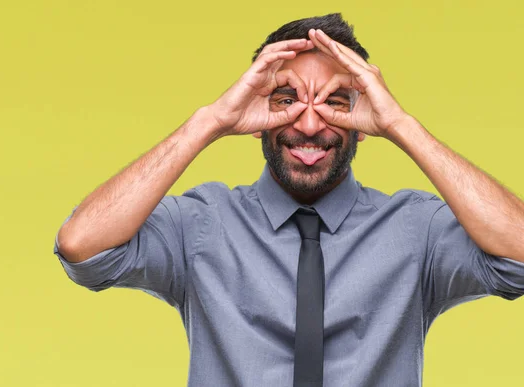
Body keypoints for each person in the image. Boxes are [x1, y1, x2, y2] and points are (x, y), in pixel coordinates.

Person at [53, 13, 524, 387]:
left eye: (336, 102)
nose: (310, 125)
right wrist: (212, 120)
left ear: (365, 117)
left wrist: (402, 125)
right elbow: (83, 246)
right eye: (285, 99)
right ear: (256, 112)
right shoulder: (200, 224)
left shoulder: (416, 229)